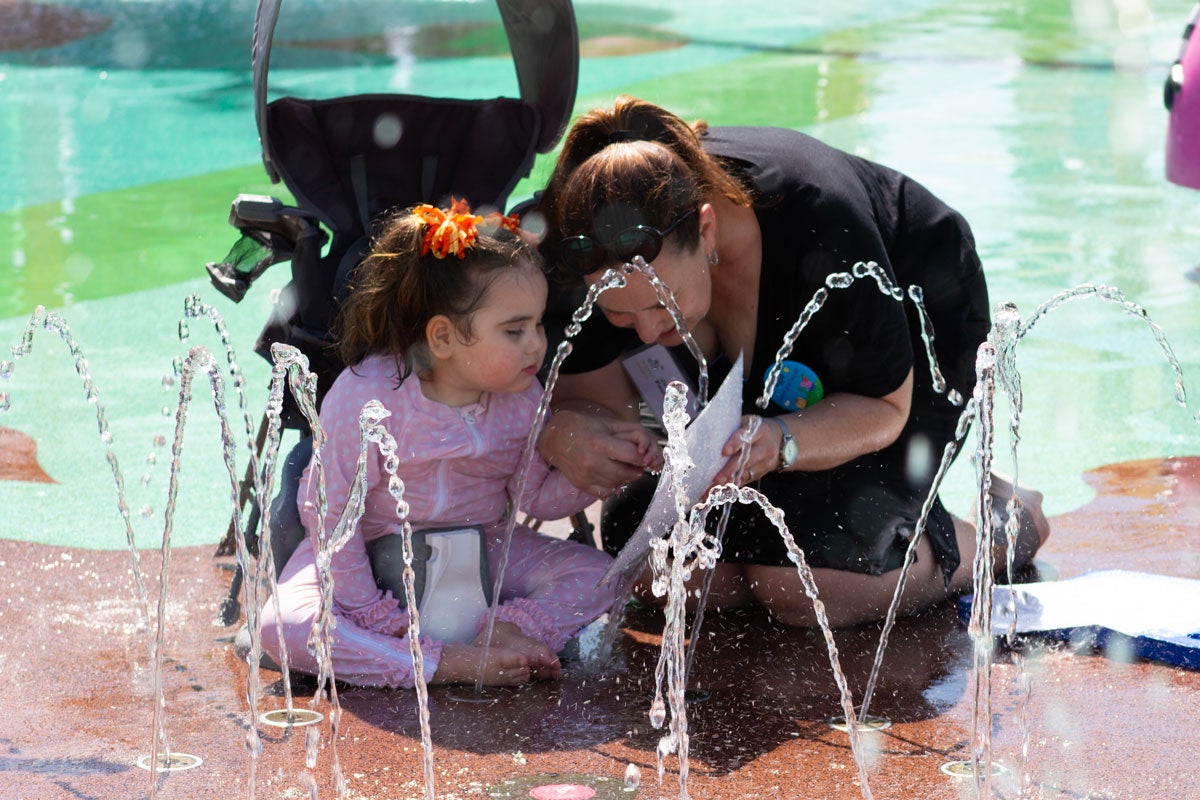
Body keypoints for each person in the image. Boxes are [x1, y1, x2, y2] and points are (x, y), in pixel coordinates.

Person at [534, 96, 1050, 628]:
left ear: (706, 232)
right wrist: (569, 433)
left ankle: (1000, 530)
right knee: (669, 574)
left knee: (808, 586)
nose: (646, 332)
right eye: (623, 316)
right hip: (784, 355)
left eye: (661, 306)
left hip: (915, 314)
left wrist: (781, 440)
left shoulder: (819, 220)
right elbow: (586, 401)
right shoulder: (583, 241)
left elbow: (884, 406)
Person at [260, 200, 658, 688]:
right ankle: (439, 664)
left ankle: (506, 631)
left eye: (538, 324)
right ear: (443, 337)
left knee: (606, 573)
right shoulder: (367, 396)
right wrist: (371, 612)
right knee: (286, 628)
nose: (536, 344)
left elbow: (535, 497)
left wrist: (601, 474)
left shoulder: (520, 397)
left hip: (479, 545)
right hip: (358, 554)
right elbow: (331, 517)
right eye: (514, 330)